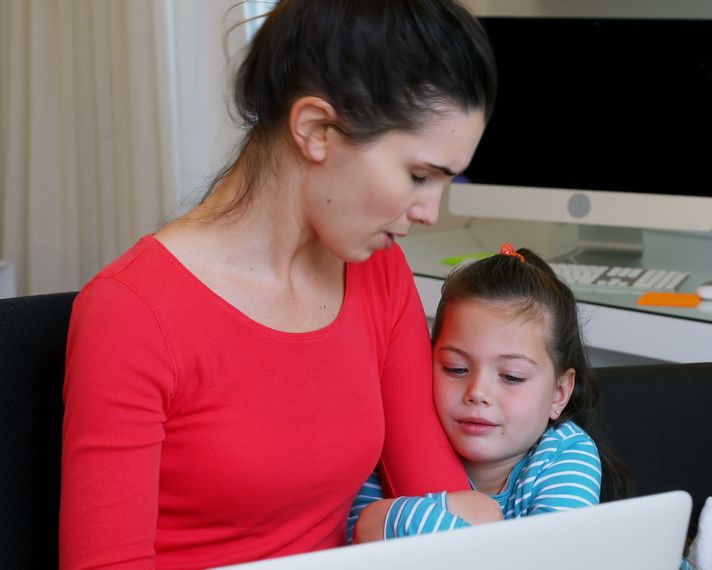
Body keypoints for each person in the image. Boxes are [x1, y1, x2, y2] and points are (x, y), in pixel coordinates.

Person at [59, 0, 496, 567]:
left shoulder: (378, 273)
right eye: (417, 175)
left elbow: (441, 508)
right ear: (315, 129)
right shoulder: (132, 313)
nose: (430, 212)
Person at [346, 244, 632, 542]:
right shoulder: (399, 448)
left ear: (559, 393)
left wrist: (408, 517)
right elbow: (357, 535)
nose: (477, 393)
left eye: (511, 376)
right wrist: (449, 508)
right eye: (456, 369)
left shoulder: (564, 454)